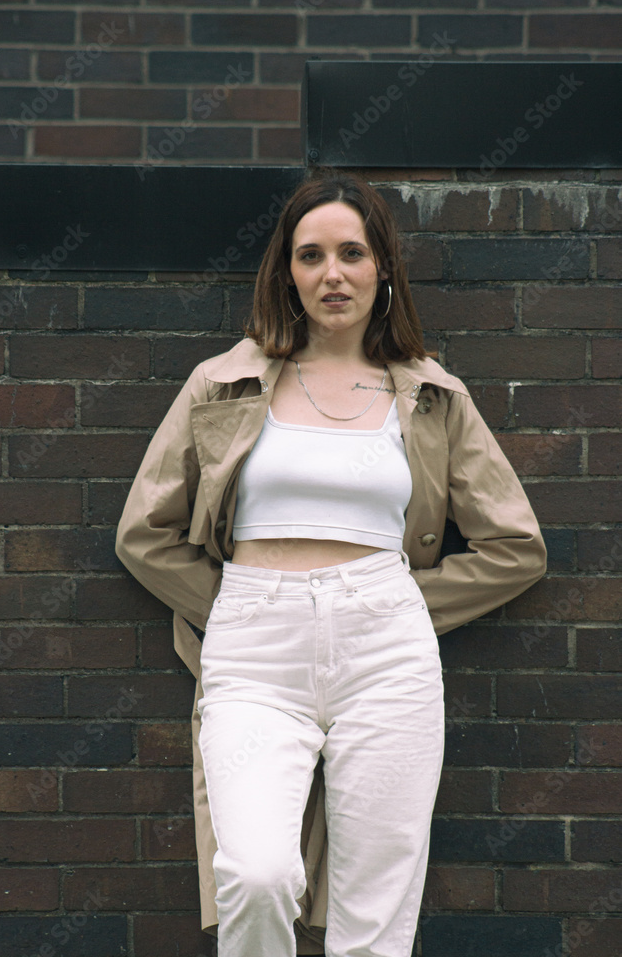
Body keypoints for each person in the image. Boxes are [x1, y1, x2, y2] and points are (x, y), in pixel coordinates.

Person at [115, 170, 547, 957]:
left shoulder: (432, 396)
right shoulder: (222, 382)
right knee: (255, 873)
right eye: (310, 256)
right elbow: (144, 532)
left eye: (351, 253)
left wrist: (405, 602)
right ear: (287, 272)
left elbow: (515, 546)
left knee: (374, 911)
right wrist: (238, 602)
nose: (332, 274)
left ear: (382, 268)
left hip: (387, 649)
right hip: (252, 648)